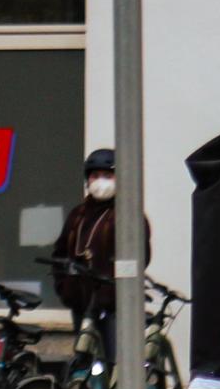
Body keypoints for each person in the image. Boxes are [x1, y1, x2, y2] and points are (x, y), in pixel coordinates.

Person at [52, 147, 150, 354]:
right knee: (84, 357)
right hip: (81, 303)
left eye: (107, 176)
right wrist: (64, 287)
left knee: (115, 358)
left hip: (113, 306)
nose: (100, 181)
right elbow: (59, 253)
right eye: (95, 175)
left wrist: (114, 287)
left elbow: (141, 257)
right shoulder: (77, 215)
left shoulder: (128, 215)